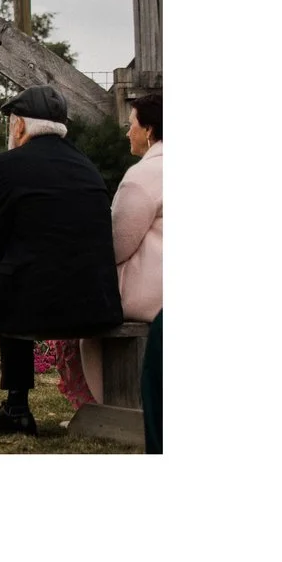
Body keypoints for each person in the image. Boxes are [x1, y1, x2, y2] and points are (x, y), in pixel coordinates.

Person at [0, 86, 124, 441]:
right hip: (96, 304)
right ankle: (16, 408)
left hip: (39, 304)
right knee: (11, 284)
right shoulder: (86, 166)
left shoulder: (5, 165)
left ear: (19, 126)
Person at [111, 94, 164, 454]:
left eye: (131, 124)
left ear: (148, 130)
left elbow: (117, 244)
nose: (127, 132)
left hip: (153, 295)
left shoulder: (143, 176)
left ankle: (112, 402)